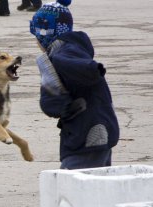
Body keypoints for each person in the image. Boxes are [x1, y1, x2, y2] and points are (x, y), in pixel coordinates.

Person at [30, 0, 120, 169]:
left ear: (44, 34)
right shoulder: (73, 48)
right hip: (96, 131)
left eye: (35, 37)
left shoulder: (61, 57)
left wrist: (90, 69)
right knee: (99, 188)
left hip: (88, 137)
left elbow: (53, 105)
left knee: (72, 189)